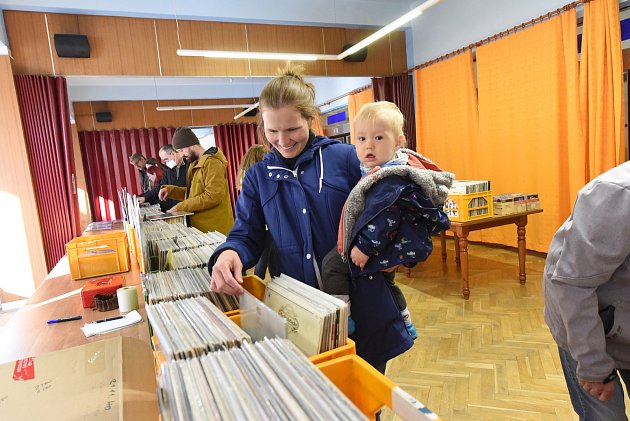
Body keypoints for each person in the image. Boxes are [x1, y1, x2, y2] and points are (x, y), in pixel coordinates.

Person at [209, 64, 412, 373]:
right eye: (272, 131)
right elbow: (246, 234)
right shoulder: (257, 177)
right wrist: (229, 253)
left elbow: (391, 204)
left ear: (310, 119)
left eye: (292, 129)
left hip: (362, 307)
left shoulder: (346, 158)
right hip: (300, 315)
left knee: (363, 401)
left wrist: (394, 250)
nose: (283, 140)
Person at [322, 101, 452, 340]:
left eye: (378, 138)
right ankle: (405, 319)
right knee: (388, 281)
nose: (368, 145)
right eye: (361, 139)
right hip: (390, 244)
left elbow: (385, 217)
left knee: (332, 266)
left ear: (399, 141)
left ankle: (342, 318)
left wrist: (364, 247)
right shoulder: (386, 168)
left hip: (376, 244)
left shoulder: (390, 178)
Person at [544, 161, 630, 420]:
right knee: (605, 416)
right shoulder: (617, 194)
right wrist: (594, 367)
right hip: (584, 324)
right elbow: (572, 285)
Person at [158, 127, 234, 235]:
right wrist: (170, 191)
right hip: (202, 228)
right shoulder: (194, 163)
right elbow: (192, 194)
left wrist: (181, 207)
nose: (182, 155)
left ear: (192, 144)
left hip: (216, 230)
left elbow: (213, 196)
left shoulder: (212, 163)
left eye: (182, 150)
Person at [237, 144, 272, 279]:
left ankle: (256, 278)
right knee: (266, 251)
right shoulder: (258, 175)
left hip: (251, 218)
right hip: (265, 221)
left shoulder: (244, 174)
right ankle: (259, 278)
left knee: (261, 250)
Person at [138, 145, 189, 211]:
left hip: (187, 208)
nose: (165, 162)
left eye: (166, 159)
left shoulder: (189, 166)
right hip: (175, 210)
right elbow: (160, 187)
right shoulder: (170, 170)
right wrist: (145, 198)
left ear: (173, 154)